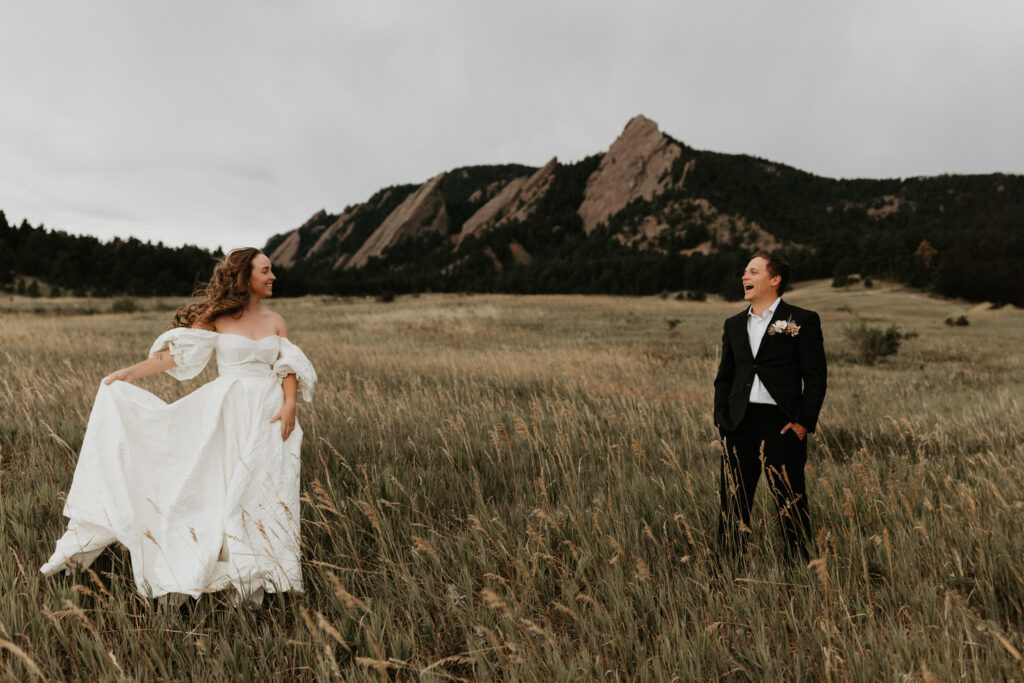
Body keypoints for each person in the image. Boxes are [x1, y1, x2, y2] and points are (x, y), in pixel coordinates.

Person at [41, 248, 317, 605]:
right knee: (218, 487)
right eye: (265, 270)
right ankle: (206, 566)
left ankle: (255, 576)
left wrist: (290, 404)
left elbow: (288, 367)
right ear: (245, 276)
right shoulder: (217, 317)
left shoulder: (276, 321)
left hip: (268, 414)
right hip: (227, 411)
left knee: (260, 492)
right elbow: (178, 355)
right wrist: (130, 372)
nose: (272, 276)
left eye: (271, 270)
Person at [713, 251, 826, 561]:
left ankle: (799, 569)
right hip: (739, 423)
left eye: (753, 271)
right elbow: (724, 377)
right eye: (744, 271)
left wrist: (804, 421)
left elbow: (816, 378)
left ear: (775, 280)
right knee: (734, 502)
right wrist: (721, 418)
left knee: (790, 501)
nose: (744, 277)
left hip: (783, 424)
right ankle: (728, 568)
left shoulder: (801, 320)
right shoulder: (734, 324)